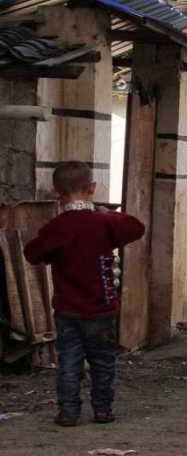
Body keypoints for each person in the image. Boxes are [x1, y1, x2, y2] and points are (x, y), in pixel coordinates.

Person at [22, 161, 145, 427]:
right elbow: (136, 227)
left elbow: (32, 253)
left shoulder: (58, 227)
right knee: (103, 362)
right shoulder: (105, 222)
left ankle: (68, 412)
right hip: (102, 309)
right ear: (92, 188)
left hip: (68, 311)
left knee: (69, 362)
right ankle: (102, 410)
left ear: (57, 194)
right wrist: (103, 211)